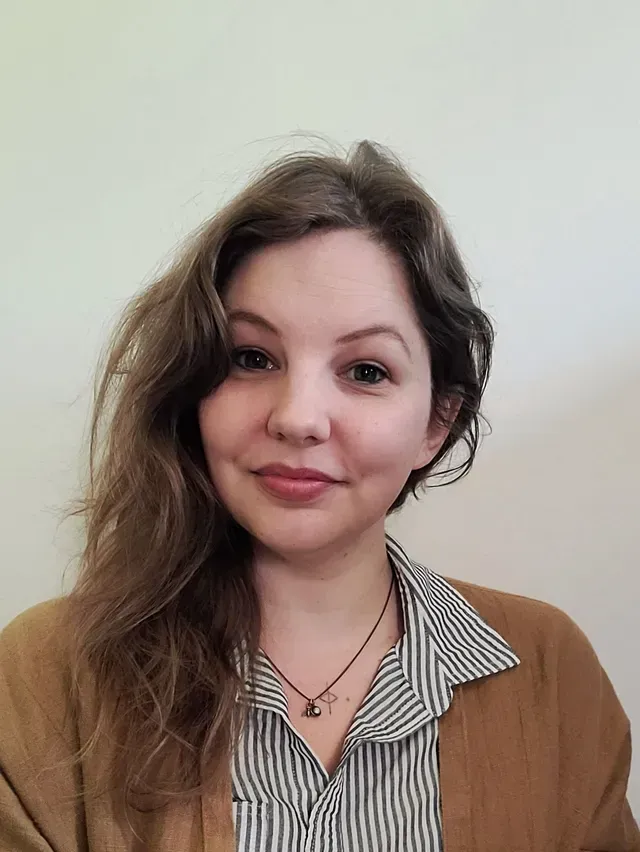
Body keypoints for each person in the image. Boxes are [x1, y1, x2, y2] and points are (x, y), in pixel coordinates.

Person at [0, 141, 637, 852]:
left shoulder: (550, 672)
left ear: (436, 422)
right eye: (251, 358)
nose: (297, 417)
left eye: (365, 370)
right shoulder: (46, 674)